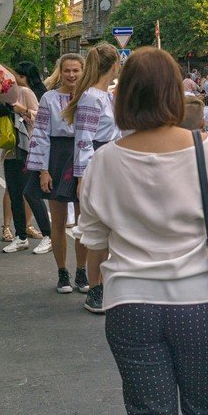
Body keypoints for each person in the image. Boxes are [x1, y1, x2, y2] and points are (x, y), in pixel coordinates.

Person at [77, 48, 208, 415]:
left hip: (131, 302)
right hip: (205, 301)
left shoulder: (105, 161)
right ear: (175, 94)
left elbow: (93, 240)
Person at [63, 43, 121, 314]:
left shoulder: (106, 96)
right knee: (98, 231)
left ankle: (106, 286)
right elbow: (84, 140)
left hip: (112, 163)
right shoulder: (91, 97)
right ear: (114, 66)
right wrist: (83, 177)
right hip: (97, 166)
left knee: (111, 230)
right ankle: (95, 289)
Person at [27, 53, 88, 294]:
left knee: (84, 221)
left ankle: (82, 270)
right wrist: (43, 170)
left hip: (83, 154)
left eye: (76, 70)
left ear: (83, 71)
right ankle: (63, 272)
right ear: (60, 72)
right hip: (57, 157)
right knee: (59, 220)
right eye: (67, 71)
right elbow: (40, 133)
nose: (71, 75)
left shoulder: (89, 96)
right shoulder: (49, 98)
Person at [1, 61, 53, 254]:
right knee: (14, 192)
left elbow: (40, 116)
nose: (16, 80)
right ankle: (20, 235)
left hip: (27, 146)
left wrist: (21, 110)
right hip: (11, 146)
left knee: (30, 191)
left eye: (20, 77)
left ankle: (48, 234)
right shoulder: (8, 94)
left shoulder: (26, 92)